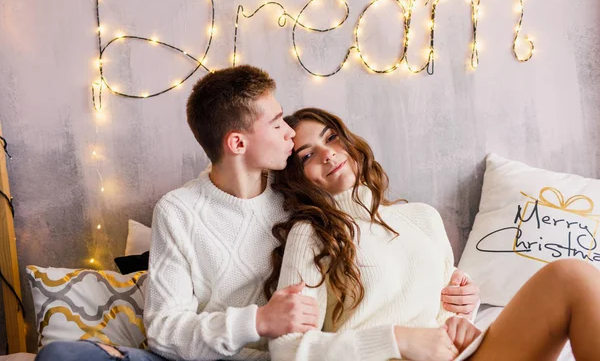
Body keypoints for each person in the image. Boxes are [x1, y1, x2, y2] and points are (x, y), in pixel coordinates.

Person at [35, 66, 478, 361]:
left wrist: (453, 293)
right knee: (61, 355)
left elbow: (379, 252)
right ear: (238, 143)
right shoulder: (180, 211)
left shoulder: (301, 201)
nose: (289, 134)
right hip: (203, 358)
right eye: (278, 122)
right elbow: (165, 331)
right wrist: (258, 321)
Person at [267, 107, 600, 361]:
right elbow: (286, 349)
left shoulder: (422, 218)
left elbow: (443, 316)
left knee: (571, 276)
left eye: (331, 137)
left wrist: (462, 319)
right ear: (299, 177)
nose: (327, 154)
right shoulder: (311, 235)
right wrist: (398, 339)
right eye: (308, 154)